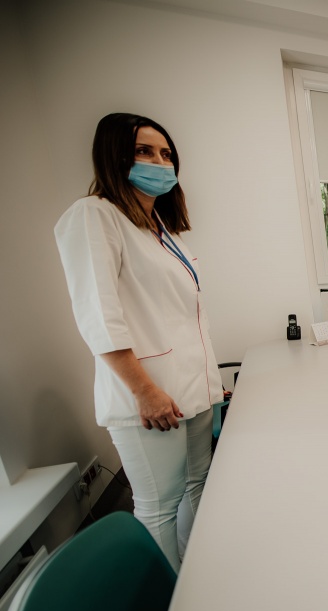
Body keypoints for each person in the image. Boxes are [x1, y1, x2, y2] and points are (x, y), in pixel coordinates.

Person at [55, 113, 221, 572]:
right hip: (150, 393)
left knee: (198, 486)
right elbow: (98, 314)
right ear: (114, 156)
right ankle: (165, 601)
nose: (159, 162)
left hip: (191, 389)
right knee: (158, 507)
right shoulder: (94, 215)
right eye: (144, 151)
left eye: (166, 154)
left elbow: (182, 318)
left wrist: (210, 382)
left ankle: (198, 576)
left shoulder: (162, 230)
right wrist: (144, 390)